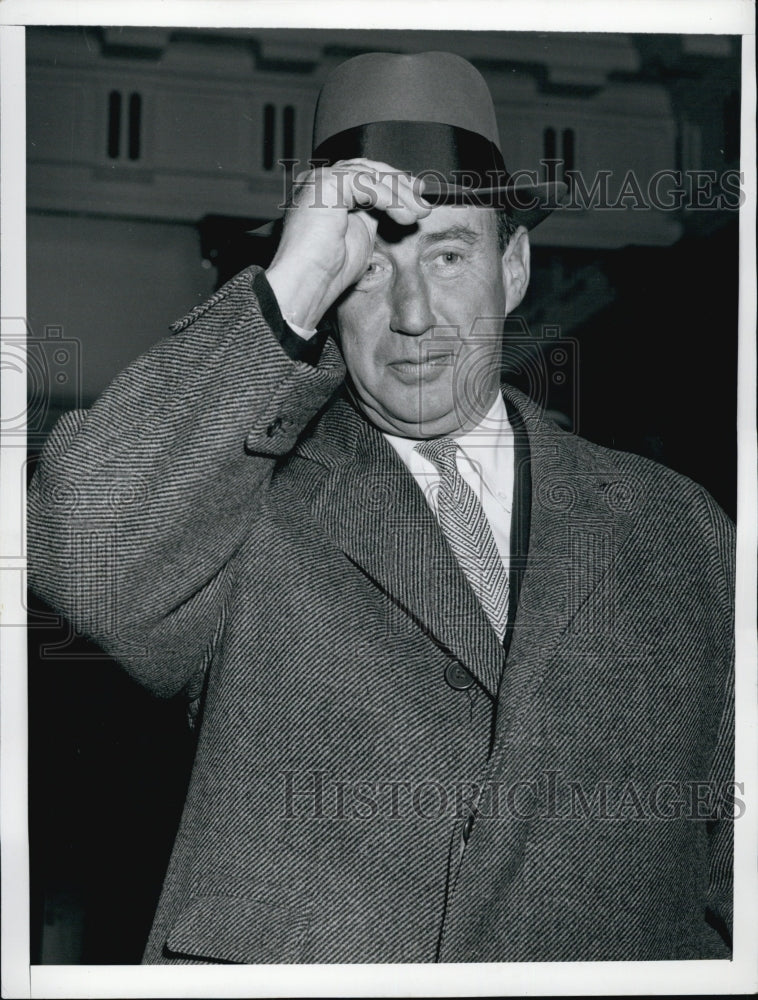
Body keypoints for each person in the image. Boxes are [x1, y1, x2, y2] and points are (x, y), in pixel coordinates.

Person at [27, 50, 734, 964]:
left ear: (513, 268)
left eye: (448, 254)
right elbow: (79, 547)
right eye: (368, 269)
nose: (412, 313)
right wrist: (291, 286)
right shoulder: (243, 503)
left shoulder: (675, 529)